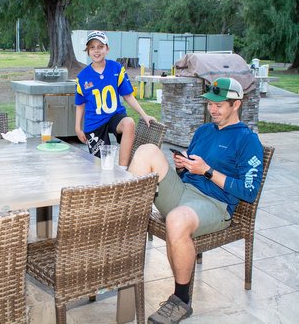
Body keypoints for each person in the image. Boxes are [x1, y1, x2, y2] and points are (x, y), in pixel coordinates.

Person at [128, 77, 264, 324]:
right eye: (210, 103)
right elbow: (188, 172)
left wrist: (207, 171)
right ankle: (122, 228)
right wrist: (184, 166)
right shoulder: (203, 131)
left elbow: (249, 191)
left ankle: (181, 301)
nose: (212, 109)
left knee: (177, 220)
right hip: (184, 192)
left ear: (237, 105)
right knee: (147, 151)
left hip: (214, 204)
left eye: (219, 105)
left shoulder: (247, 140)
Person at [74, 30, 155, 168]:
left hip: (114, 116)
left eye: (100, 46)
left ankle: (123, 170)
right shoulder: (82, 77)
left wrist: (144, 114)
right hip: (94, 123)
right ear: (87, 51)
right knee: (101, 167)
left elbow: (128, 95)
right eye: (92, 47)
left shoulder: (116, 68)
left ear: (107, 49)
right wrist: (77, 127)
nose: (96, 50)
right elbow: (80, 104)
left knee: (129, 123)